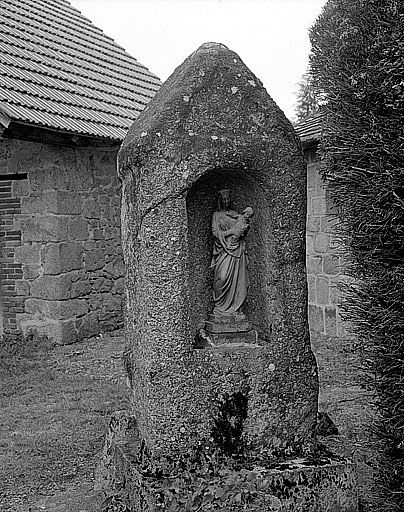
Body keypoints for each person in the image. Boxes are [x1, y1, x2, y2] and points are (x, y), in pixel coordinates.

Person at [210, 189, 253, 320]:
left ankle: (235, 307)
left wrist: (242, 230)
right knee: (222, 278)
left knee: (238, 279)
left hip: (237, 250)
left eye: (228, 199)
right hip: (223, 250)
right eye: (224, 199)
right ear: (220, 201)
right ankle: (219, 307)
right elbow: (215, 233)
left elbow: (242, 228)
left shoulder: (236, 215)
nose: (226, 202)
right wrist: (231, 231)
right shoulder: (216, 215)